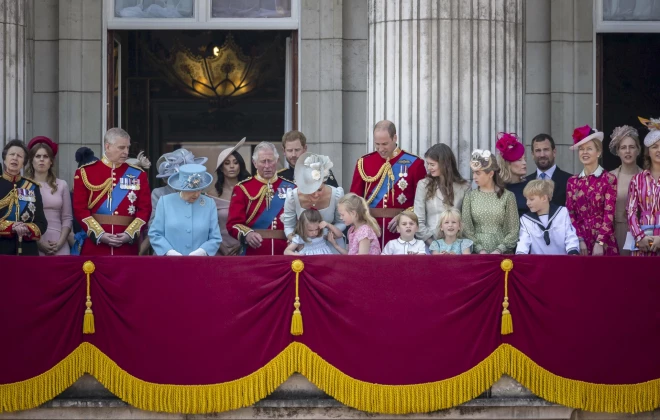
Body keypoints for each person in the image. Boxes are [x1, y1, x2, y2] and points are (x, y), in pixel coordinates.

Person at [72, 128, 152, 255]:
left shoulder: (138, 174)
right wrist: (99, 234)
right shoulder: (85, 172)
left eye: (127, 148)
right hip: (96, 247)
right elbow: (80, 209)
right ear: (107, 146)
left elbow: (145, 209)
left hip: (126, 248)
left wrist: (129, 234)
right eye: (121, 148)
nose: (126, 152)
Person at [350, 120, 427, 248]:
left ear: (395, 138)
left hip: (400, 229)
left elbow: (421, 200)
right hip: (371, 229)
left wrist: (404, 216)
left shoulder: (414, 163)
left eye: (385, 144)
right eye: (377, 144)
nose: (381, 149)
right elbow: (354, 199)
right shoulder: (364, 162)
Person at [227, 142, 295, 255]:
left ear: (277, 161)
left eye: (271, 161)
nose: (267, 166)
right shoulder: (242, 188)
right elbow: (233, 224)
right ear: (254, 163)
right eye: (263, 161)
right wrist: (247, 234)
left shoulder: (292, 187)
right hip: (254, 253)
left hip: (286, 252)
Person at [566, 125, 618, 256]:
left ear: (598, 152)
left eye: (589, 149)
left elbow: (609, 214)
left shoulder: (609, 179)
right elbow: (570, 214)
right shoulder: (572, 181)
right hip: (579, 240)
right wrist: (579, 240)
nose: (584, 152)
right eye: (581, 149)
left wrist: (600, 243)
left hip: (604, 241)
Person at [149, 164, 221, 256]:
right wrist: (169, 252)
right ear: (181, 188)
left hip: (200, 264)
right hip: (169, 263)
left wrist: (203, 251)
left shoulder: (209, 203)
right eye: (192, 190)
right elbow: (155, 233)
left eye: (199, 190)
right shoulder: (165, 202)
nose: (197, 195)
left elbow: (215, 237)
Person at [281, 152, 346, 252]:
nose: (316, 194)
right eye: (311, 191)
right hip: (303, 247)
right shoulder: (293, 197)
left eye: (320, 190)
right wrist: (298, 241)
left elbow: (341, 222)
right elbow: (289, 226)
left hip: (332, 245)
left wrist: (323, 235)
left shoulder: (336, 194)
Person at [462, 149, 520, 254]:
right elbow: (467, 229)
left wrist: (499, 250)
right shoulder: (470, 196)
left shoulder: (508, 196)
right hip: (477, 255)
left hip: (502, 255)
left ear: (491, 173)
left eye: (478, 173)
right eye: (473, 172)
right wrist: (480, 249)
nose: (474, 177)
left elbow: (513, 230)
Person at [414, 143, 470, 244]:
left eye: (432, 164)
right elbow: (418, 220)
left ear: (444, 164)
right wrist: (433, 245)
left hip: (457, 245)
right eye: (428, 164)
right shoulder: (423, 185)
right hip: (429, 244)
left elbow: (466, 221)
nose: (429, 168)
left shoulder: (464, 187)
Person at [25, 136, 73, 256]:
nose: (42, 160)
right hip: (33, 242)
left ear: (51, 161)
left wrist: (60, 243)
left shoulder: (62, 185)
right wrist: (39, 243)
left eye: (45, 156)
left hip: (59, 241)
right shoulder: (24, 186)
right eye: (38, 156)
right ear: (31, 160)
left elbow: (67, 217)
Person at [0, 140, 48, 256]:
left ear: (24, 163)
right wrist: (11, 227)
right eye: (12, 154)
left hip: (27, 250)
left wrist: (26, 228)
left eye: (19, 156)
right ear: (5, 159)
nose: (15, 158)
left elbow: (42, 223)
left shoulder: (32, 187)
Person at [515, 180, 580, 255]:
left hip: (562, 260)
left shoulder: (562, 212)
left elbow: (570, 235)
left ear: (544, 198)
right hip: (538, 263)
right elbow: (523, 241)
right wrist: (520, 255)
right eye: (526, 199)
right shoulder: (525, 220)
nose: (527, 203)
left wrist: (573, 252)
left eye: (531, 199)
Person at [625, 117, 660, 256]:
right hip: (642, 245)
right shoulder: (637, 180)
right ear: (648, 151)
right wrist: (640, 237)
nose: (658, 150)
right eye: (654, 146)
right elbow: (630, 212)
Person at [210, 138, 251, 256]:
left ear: (241, 165)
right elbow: (208, 226)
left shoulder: (250, 191)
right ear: (221, 168)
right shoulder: (211, 195)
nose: (232, 166)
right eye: (227, 163)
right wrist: (220, 246)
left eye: (235, 162)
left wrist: (242, 243)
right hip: (219, 250)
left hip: (246, 248)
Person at [608, 125, 643, 255]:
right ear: (618, 152)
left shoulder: (647, 178)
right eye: (623, 148)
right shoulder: (610, 178)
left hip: (642, 234)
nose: (627, 151)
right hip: (616, 234)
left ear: (638, 150)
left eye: (632, 147)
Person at [526, 134, 573, 207]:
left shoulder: (570, 181)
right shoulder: (525, 182)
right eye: (538, 150)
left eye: (546, 150)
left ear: (554, 152)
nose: (542, 155)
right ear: (532, 154)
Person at [69, 147, 99, 255]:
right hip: (77, 247)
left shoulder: (104, 197)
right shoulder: (71, 197)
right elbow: (68, 224)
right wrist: (79, 245)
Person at [495, 132, 529, 217]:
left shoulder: (529, 186)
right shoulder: (497, 188)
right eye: (519, 160)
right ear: (508, 164)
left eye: (525, 159)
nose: (524, 163)